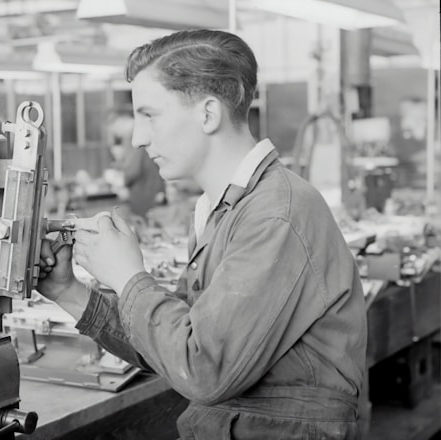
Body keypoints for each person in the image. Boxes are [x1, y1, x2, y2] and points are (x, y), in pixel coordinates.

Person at [37, 29, 367, 439]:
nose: (139, 139)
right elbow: (171, 342)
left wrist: (128, 277)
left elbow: (202, 367)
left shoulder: (275, 216)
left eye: (150, 115)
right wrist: (70, 292)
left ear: (208, 114)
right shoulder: (222, 210)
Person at [109, 108, 166, 219]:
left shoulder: (132, 134)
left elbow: (134, 167)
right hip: (147, 187)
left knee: (144, 224)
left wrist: (120, 181)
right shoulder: (140, 131)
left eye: (115, 130)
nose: (117, 134)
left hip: (144, 191)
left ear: (120, 121)